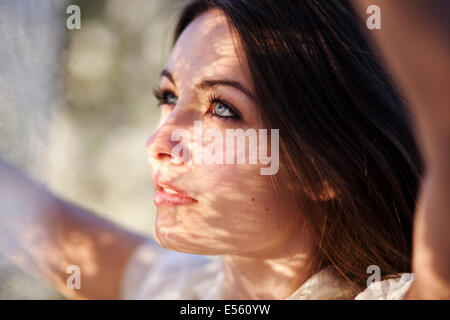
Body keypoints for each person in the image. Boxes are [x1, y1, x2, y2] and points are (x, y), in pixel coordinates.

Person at [0, 0, 448, 299]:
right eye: (169, 97)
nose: (158, 143)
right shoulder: (181, 289)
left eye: (221, 109)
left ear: (325, 167)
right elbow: (26, 219)